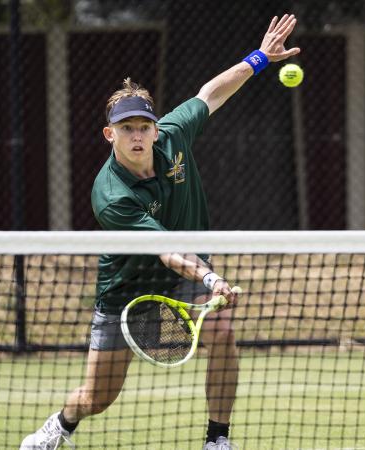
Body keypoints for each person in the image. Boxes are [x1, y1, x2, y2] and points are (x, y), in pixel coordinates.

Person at [21, 13, 300, 450]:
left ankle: (217, 440)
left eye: (144, 127)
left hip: (181, 275)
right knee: (97, 397)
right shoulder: (111, 194)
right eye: (127, 129)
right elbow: (166, 249)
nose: (138, 136)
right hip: (127, 290)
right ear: (109, 134)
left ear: (155, 129)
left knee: (222, 330)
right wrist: (210, 277)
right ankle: (62, 424)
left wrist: (261, 57)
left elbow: (210, 94)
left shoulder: (173, 137)